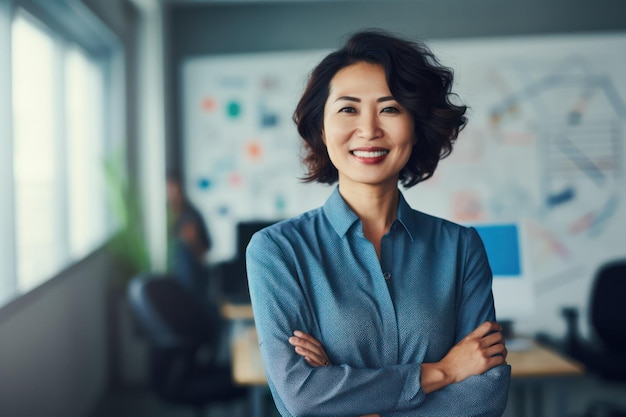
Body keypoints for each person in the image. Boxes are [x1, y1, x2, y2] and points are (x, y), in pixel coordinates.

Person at [246, 29, 510, 417]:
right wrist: (444, 371)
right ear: (322, 126)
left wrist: (352, 401)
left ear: (415, 125)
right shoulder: (277, 251)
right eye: (348, 109)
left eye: (390, 108)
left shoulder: (460, 247)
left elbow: (485, 396)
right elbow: (301, 396)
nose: (369, 130)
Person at [166, 170, 212, 298]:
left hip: (191, 275)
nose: (170, 193)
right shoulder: (168, 214)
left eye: (172, 188)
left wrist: (192, 241)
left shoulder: (191, 215)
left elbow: (204, 248)